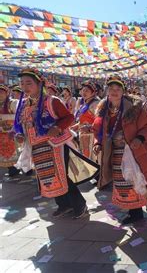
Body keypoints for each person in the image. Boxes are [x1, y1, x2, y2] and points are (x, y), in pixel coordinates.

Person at [13, 68, 90, 219]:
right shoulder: (23, 105)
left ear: (39, 83)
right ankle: (64, 205)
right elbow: (22, 125)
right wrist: (20, 135)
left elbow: (69, 118)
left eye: (29, 83)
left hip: (56, 145)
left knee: (63, 176)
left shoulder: (52, 101)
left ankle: (80, 205)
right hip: (37, 146)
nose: (25, 87)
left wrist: (57, 127)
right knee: (49, 177)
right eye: (22, 83)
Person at [92, 75, 147, 225]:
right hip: (116, 153)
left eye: (117, 89)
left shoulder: (134, 109)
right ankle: (134, 213)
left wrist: (139, 139)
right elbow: (97, 130)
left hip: (135, 151)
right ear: (107, 91)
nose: (114, 92)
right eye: (111, 89)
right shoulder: (103, 109)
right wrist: (98, 143)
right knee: (125, 183)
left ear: (123, 91)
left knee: (142, 180)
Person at [71, 80, 100, 161]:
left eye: (87, 91)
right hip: (83, 135)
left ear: (93, 92)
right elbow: (82, 120)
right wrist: (75, 127)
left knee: (91, 159)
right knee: (85, 157)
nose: (84, 92)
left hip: (92, 135)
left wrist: (89, 127)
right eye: (83, 90)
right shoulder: (84, 103)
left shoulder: (96, 104)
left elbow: (100, 121)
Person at [0, 84, 20, 176]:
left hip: (12, 132)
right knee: (6, 153)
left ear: (6, 93)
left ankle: (16, 169)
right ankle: (12, 169)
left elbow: (18, 116)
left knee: (15, 151)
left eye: (1, 92)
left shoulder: (12, 103)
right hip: (2, 133)